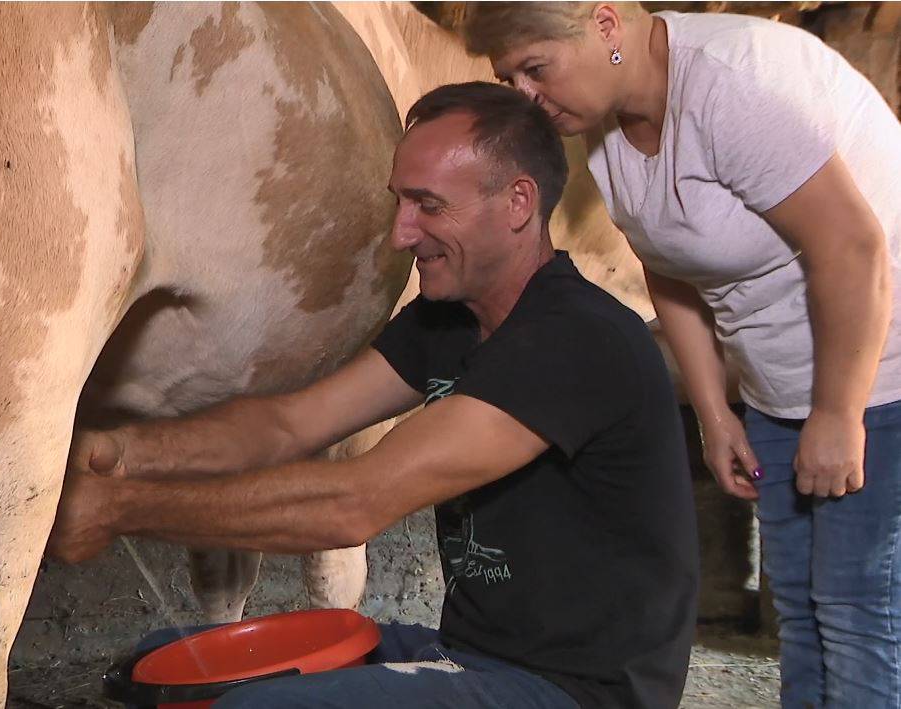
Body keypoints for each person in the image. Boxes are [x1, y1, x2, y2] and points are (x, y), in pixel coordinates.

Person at [48, 82, 698, 709]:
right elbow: (286, 424)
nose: (399, 233)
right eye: (398, 202)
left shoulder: (573, 339)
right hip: (468, 653)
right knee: (158, 665)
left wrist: (118, 509)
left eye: (427, 205)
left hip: (572, 691)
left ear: (517, 203)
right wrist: (119, 452)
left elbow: (352, 503)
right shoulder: (445, 319)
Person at [476, 3, 901, 707]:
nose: (524, 94)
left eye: (534, 68)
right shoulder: (604, 124)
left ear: (605, 25)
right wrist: (714, 411)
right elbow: (665, 262)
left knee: (855, 613)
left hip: (874, 368)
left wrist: (836, 412)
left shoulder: (731, 84)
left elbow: (851, 247)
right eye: (507, 76)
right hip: (775, 377)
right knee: (800, 610)